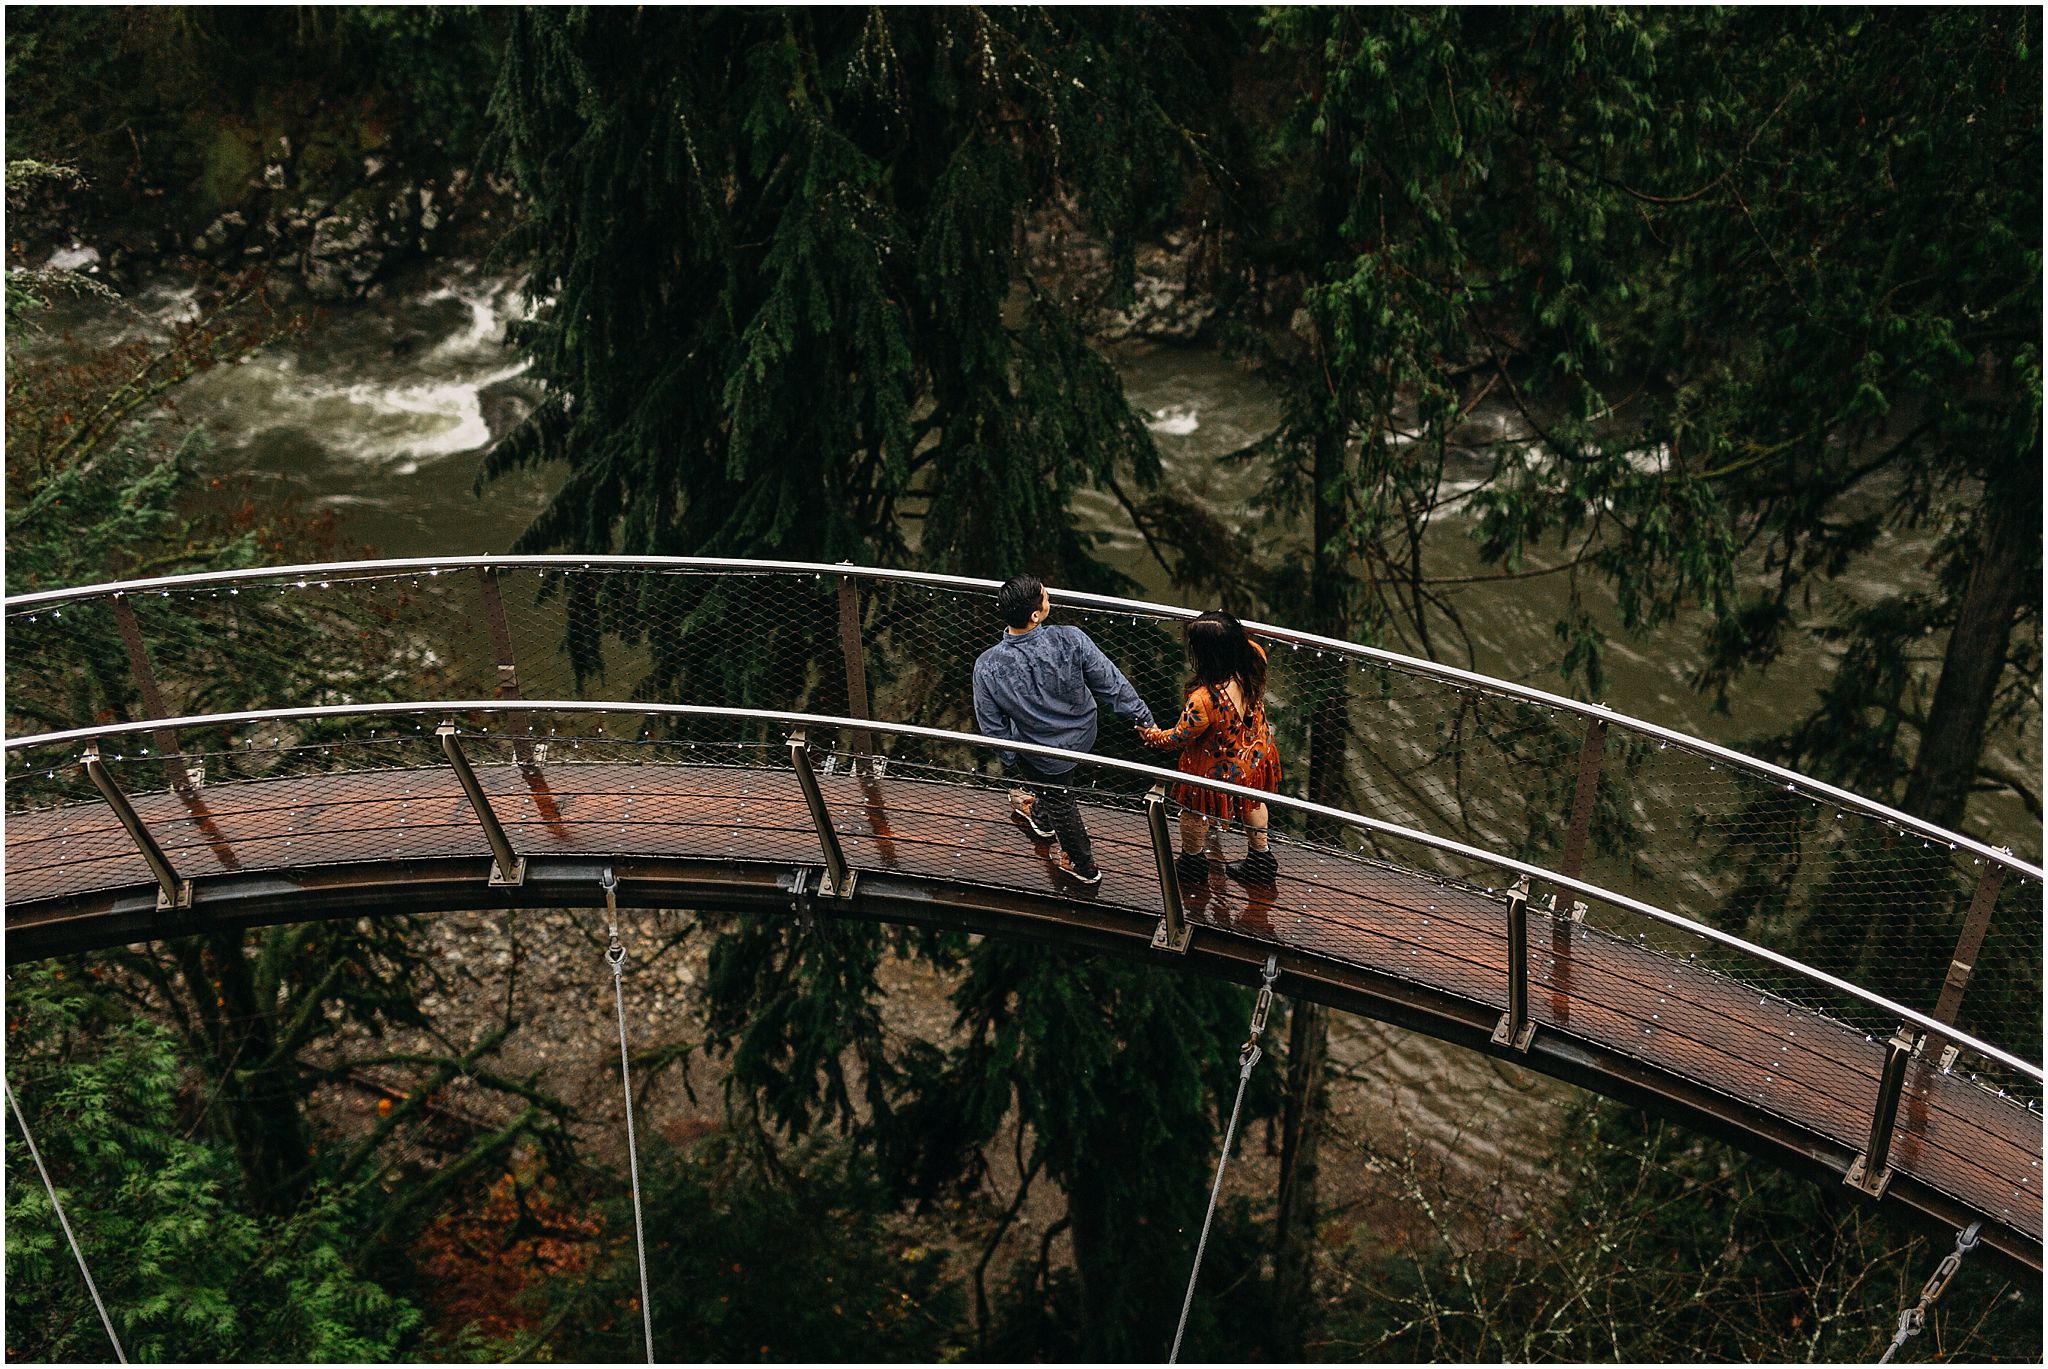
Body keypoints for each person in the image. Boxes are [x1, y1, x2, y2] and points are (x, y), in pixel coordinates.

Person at [973, 573, 1156, 886]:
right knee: (1058, 795)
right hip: (1083, 733)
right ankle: (1066, 845)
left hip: (1040, 752)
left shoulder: (987, 666)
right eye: (1044, 596)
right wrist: (1142, 718)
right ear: (1035, 615)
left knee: (1058, 796)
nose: (1048, 598)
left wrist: (1010, 757)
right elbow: (1110, 682)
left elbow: (991, 724)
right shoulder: (1071, 639)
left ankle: (1071, 849)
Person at [1139, 611, 1281, 886]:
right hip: (1252, 754)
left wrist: (1152, 736)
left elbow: (1179, 738)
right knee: (1252, 802)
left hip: (1215, 770)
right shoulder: (1254, 658)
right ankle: (1261, 860)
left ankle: (1192, 865)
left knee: (1193, 813)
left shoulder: (1203, 700)